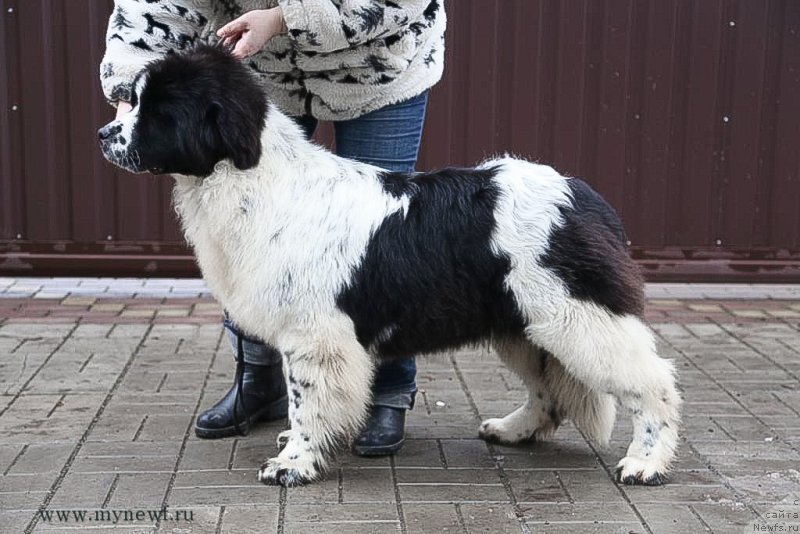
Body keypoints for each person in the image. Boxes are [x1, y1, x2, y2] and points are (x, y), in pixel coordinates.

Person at [100, 0, 446, 456]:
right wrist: (134, 88)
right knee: (247, 240)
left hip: (375, 67)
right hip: (260, 75)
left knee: (380, 246)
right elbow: (154, 9)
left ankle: (387, 393)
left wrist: (287, 18)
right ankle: (258, 380)